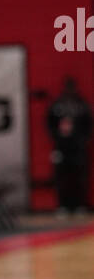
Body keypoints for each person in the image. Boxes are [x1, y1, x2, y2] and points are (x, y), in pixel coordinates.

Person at [47, 76, 92, 214]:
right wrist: (57, 137)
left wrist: (83, 139)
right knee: (61, 177)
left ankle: (79, 205)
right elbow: (49, 124)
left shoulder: (82, 105)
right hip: (61, 147)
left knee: (80, 177)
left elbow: (89, 124)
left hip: (78, 147)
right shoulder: (57, 105)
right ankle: (63, 206)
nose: (70, 91)